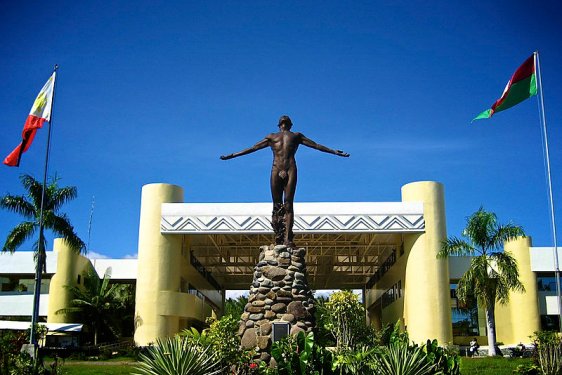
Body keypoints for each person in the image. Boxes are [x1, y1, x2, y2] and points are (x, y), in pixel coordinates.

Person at [220, 115, 349, 246]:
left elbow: (315, 145)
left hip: (289, 169)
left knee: (287, 204)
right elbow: (253, 148)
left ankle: (287, 238)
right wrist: (233, 155)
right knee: (278, 205)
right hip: (278, 169)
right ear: (288, 125)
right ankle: (280, 238)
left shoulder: (294, 136)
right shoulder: (274, 137)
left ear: (282, 125)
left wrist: (333, 151)